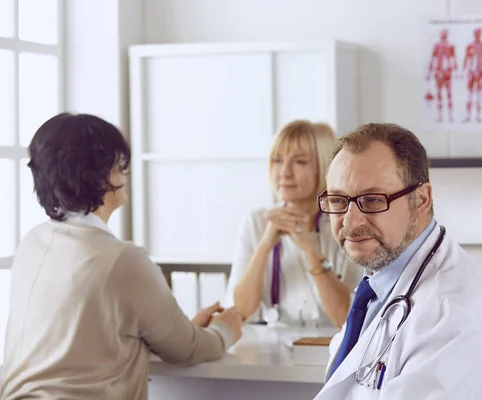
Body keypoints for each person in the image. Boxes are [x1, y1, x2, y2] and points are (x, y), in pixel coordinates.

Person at [0, 113, 243, 400]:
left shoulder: (32, 243)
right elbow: (187, 349)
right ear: (94, 174)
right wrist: (224, 330)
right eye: (117, 163)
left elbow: (83, 340)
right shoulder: (121, 259)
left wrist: (183, 325)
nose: (124, 171)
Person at [314, 123, 482, 399]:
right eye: (338, 200)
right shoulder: (385, 280)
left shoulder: (447, 317)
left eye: (371, 200)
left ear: (421, 199)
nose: (350, 221)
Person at [224, 120, 361, 328]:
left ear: (324, 167)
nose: (284, 172)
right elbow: (239, 312)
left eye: (300, 162)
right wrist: (265, 245)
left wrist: (311, 251)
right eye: (277, 161)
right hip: (275, 350)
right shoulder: (257, 222)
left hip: (334, 348)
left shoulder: (345, 221)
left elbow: (348, 318)